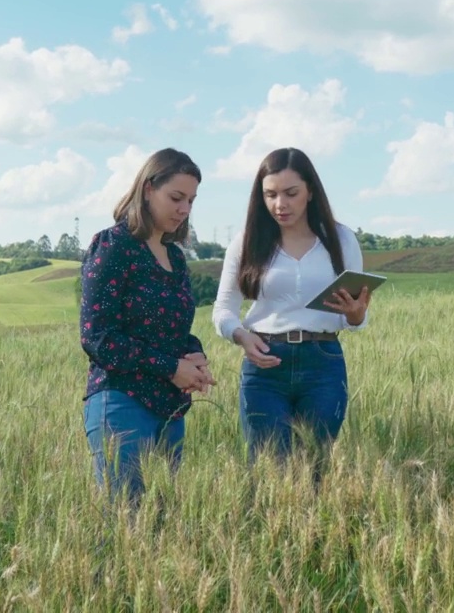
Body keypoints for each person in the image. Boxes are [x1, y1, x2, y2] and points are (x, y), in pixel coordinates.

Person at [212, 147, 371, 482]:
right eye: (270, 195)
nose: (280, 205)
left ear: (310, 192)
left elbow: (354, 316)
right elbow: (224, 310)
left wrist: (356, 315)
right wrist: (241, 336)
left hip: (324, 364)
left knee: (316, 471)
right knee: (269, 473)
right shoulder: (247, 242)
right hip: (265, 365)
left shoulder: (341, 239)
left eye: (290, 193)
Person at [80, 148, 216, 506]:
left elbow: (173, 328)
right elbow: (98, 337)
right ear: (147, 189)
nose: (185, 209)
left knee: (164, 528)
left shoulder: (174, 256)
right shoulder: (113, 246)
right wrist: (172, 367)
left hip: (171, 410)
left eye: (191, 200)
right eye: (176, 197)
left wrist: (194, 353)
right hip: (123, 402)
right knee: (126, 527)